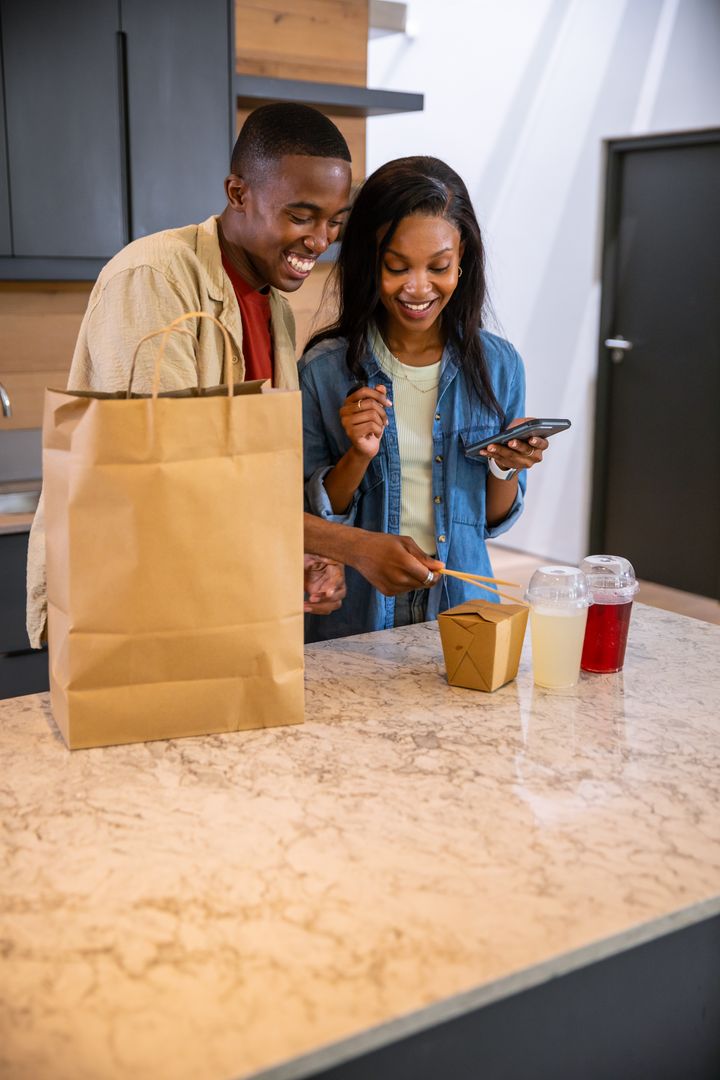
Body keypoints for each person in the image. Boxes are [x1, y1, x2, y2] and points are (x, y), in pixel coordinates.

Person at [26, 105, 442, 648]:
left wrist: (305, 553)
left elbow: (257, 472)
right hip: (133, 605)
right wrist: (349, 545)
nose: (319, 241)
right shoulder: (154, 277)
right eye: (301, 215)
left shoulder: (276, 311)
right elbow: (174, 475)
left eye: (334, 223)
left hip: (211, 603)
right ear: (237, 192)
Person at [300, 155, 549, 642]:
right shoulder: (324, 370)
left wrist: (507, 465)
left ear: (463, 263)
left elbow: (491, 522)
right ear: (370, 264)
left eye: (438, 267)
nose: (418, 288)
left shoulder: (499, 366)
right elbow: (312, 523)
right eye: (397, 267)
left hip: (463, 605)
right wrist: (357, 454)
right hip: (359, 613)